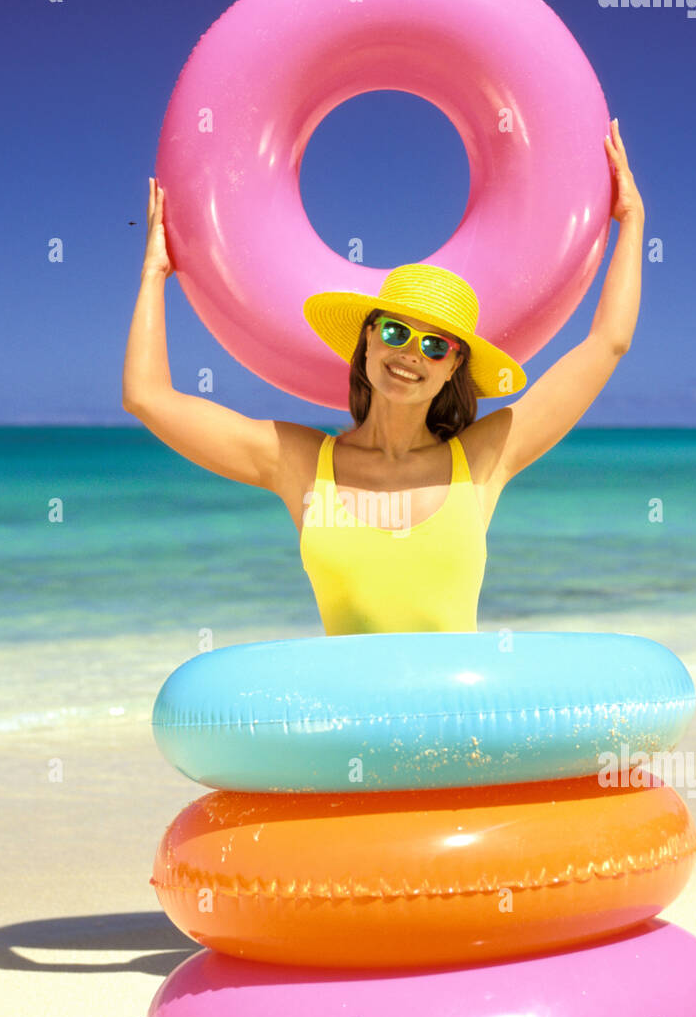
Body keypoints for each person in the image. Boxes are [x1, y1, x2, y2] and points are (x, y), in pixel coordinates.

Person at [123, 118, 645, 635]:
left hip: (459, 720)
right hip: (348, 719)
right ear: (368, 338)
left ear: (454, 368)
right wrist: (154, 274)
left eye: (436, 346)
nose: (412, 354)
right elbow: (147, 398)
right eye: (396, 332)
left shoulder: (484, 458)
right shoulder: (301, 462)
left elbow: (607, 344)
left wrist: (633, 223)